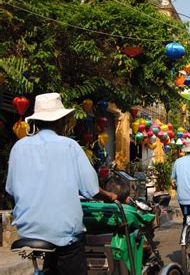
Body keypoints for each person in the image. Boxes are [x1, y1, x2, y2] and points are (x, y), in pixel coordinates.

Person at [6, 93, 115, 275]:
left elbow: (10, 189)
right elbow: (91, 189)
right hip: (64, 234)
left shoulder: (19, 147)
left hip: (28, 231)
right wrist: (110, 196)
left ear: (37, 122)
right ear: (61, 122)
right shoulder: (69, 146)